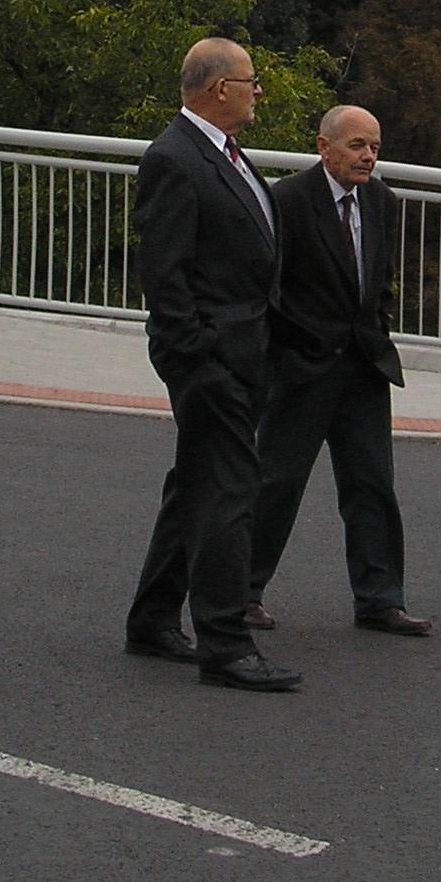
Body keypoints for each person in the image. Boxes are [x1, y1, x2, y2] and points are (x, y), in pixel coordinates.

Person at [125, 38, 304, 690]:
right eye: (251, 81)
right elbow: (164, 273)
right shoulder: (174, 158)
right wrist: (197, 354)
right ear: (219, 88)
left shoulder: (223, 152)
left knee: (198, 483)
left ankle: (152, 619)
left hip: (243, 351)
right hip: (210, 360)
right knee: (229, 491)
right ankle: (226, 643)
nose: (259, 92)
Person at [245, 105, 431, 638]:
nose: (368, 156)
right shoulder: (287, 201)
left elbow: (380, 281)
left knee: (372, 484)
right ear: (323, 147)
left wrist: (376, 332)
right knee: (276, 483)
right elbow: (269, 285)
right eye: (357, 146)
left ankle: (380, 599)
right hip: (303, 366)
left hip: (363, 366)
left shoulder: (381, 202)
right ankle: (241, 592)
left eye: (374, 147)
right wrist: (285, 351)